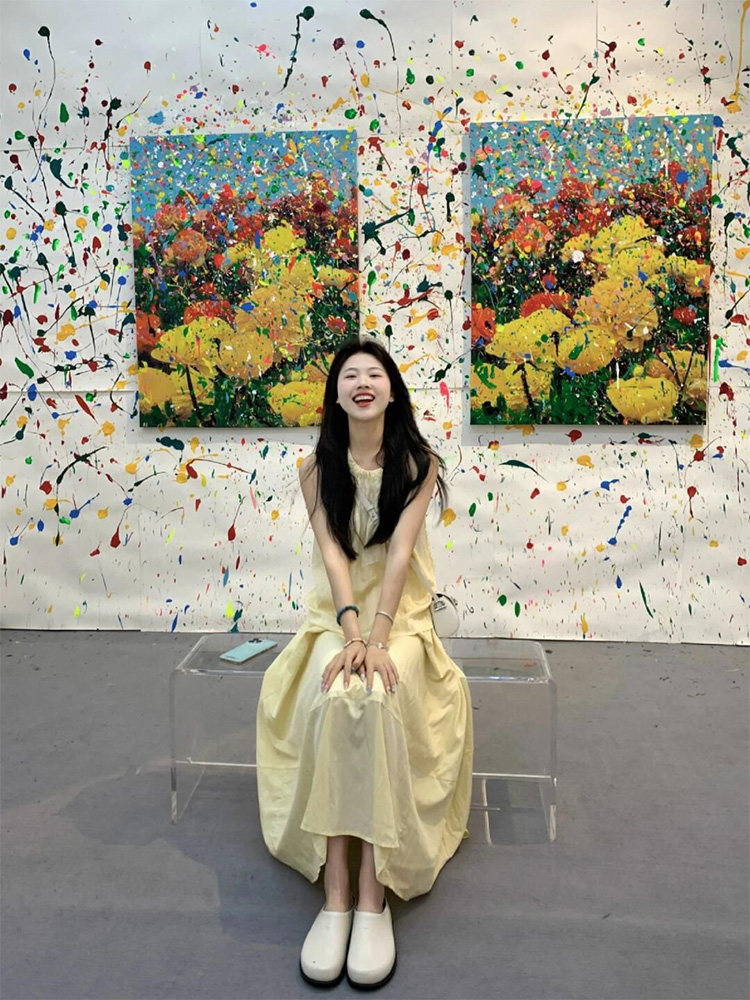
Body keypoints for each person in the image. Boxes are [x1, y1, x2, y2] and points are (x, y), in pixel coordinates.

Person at [255, 335, 474, 989]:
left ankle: (373, 895)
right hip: (336, 617)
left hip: (399, 619)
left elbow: (400, 555)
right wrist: (350, 633)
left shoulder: (419, 463)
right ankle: (337, 894)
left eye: (373, 374)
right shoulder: (314, 468)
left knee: (376, 695)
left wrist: (377, 639)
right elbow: (333, 557)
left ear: (391, 392)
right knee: (337, 695)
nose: (362, 383)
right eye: (349, 375)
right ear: (336, 395)